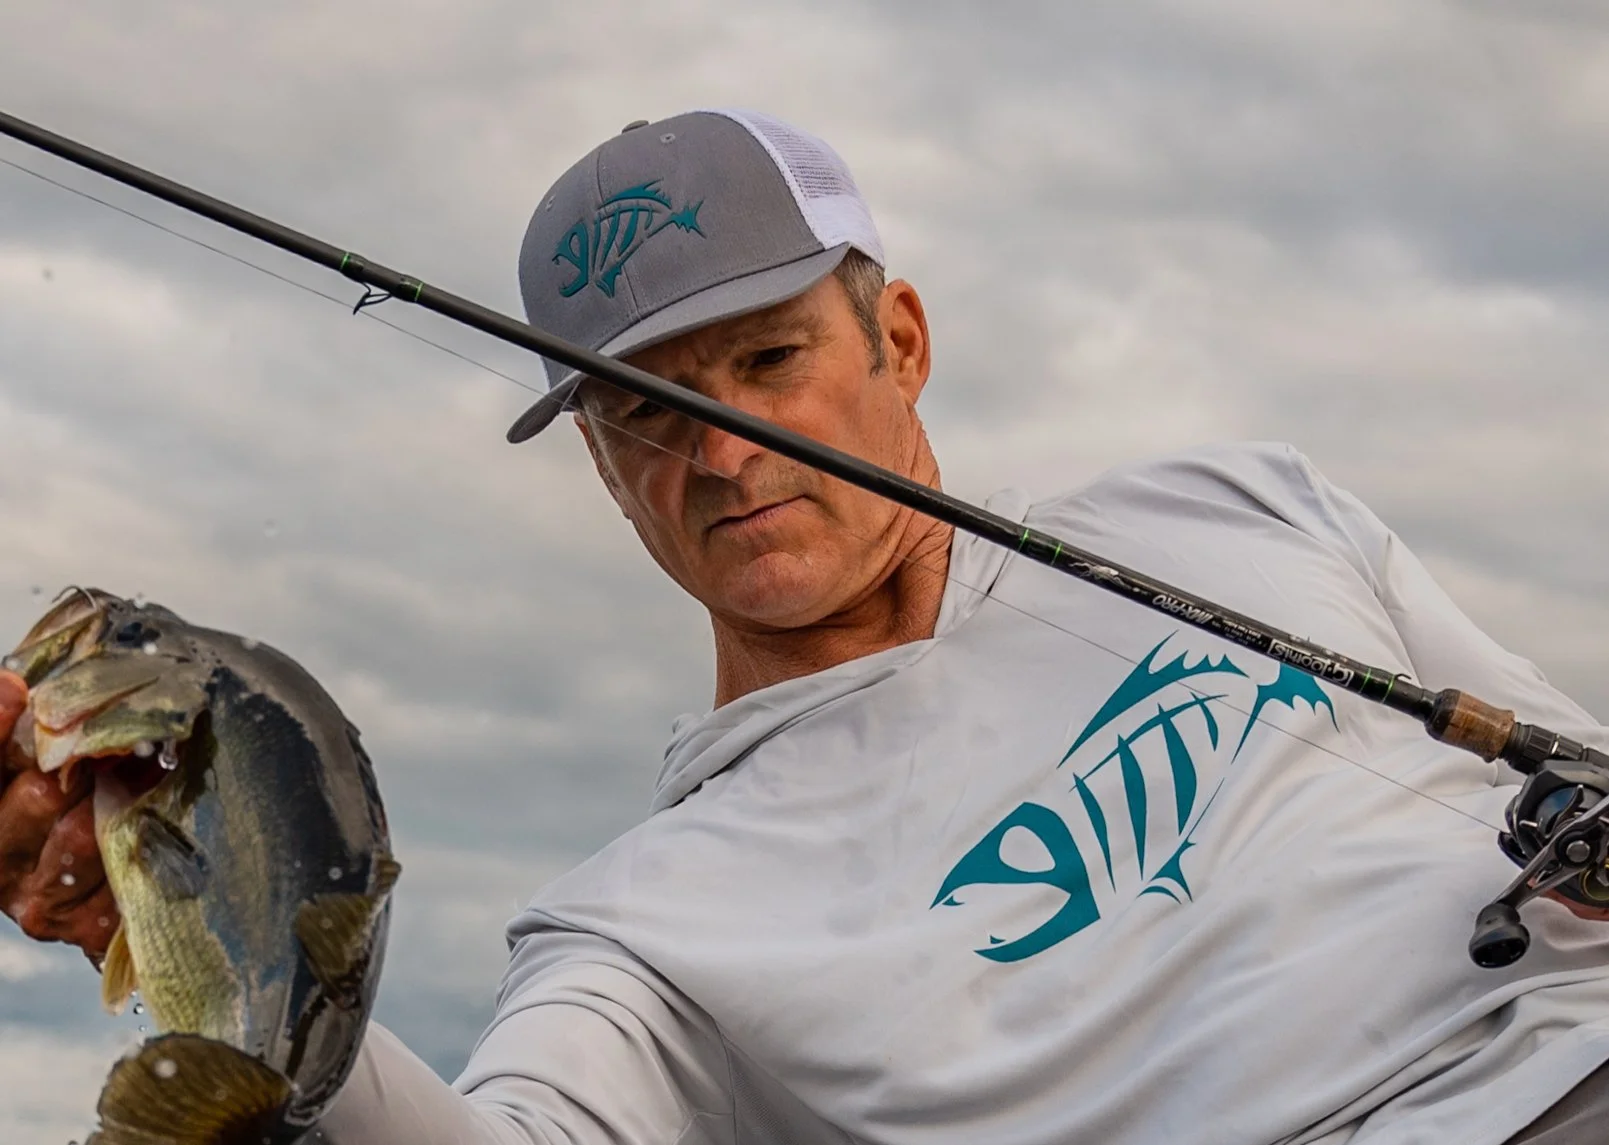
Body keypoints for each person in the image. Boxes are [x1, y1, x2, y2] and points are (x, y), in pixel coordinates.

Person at [4, 108, 1609, 1145]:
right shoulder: (640, 931)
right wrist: (175, 922)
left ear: (896, 337)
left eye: (771, 364)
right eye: (647, 411)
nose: (722, 456)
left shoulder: (1243, 506)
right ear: (598, 461)